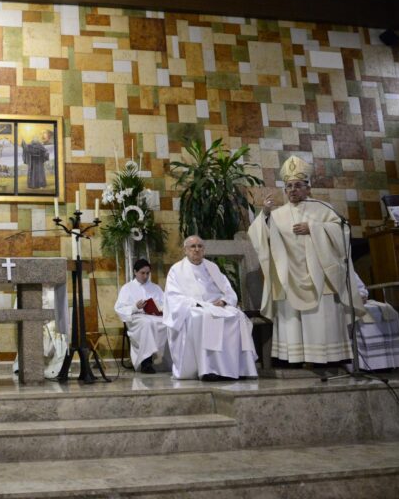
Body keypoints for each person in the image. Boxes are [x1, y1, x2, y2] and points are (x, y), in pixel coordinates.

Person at [247, 155, 364, 365]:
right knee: (293, 321)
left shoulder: (323, 209)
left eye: (297, 185)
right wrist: (264, 214)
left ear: (308, 188)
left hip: (321, 277)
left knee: (322, 319)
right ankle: (297, 359)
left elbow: (343, 231)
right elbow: (258, 236)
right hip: (290, 277)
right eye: (289, 186)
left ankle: (328, 359)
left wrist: (314, 228)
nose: (292, 190)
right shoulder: (277, 214)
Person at [163, 236, 258, 380]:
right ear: (185, 250)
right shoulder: (176, 270)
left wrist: (225, 301)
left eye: (200, 246)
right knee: (203, 316)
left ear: (204, 250)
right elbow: (173, 297)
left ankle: (238, 368)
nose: (196, 249)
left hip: (217, 305)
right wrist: (199, 304)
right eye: (193, 246)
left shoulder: (212, 267)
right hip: (194, 307)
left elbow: (228, 290)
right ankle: (208, 369)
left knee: (237, 316)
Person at [114, 259, 169, 374]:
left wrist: (160, 309)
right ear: (135, 272)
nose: (145, 276)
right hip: (136, 318)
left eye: (148, 273)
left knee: (167, 323)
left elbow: (165, 304)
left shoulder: (155, 288)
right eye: (142, 273)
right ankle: (146, 362)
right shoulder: (127, 288)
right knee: (146, 324)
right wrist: (135, 307)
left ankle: (163, 361)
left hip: (154, 316)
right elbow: (119, 308)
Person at [353, 272, 399, 371]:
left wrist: (361, 295)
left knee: (387, 311)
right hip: (346, 304)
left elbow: (362, 289)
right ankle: (367, 364)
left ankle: (387, 363)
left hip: (359, 302)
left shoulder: (348, 269)